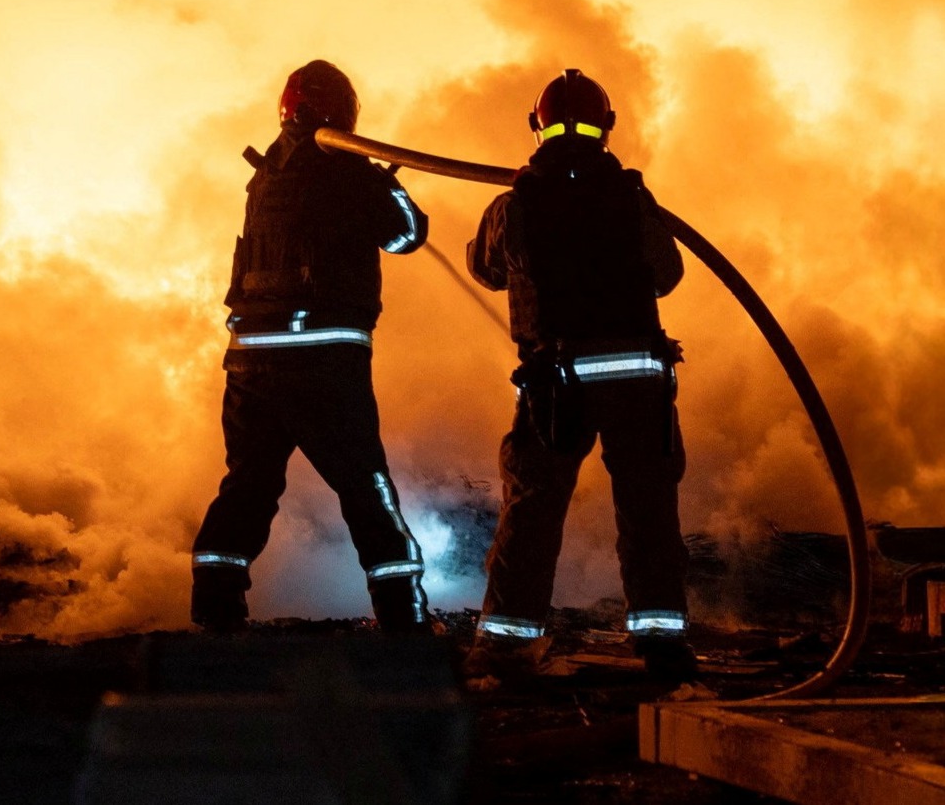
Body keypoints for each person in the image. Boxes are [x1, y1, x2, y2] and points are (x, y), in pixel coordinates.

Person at [464, 68, 696, 680]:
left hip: (557, 383)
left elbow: (485, 269)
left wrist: (516, 215)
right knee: (647, 509)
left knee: (534, 509)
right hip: (635, 381)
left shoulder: (516, 203)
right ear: (608, 125)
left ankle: (508, 645)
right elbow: (668, 274)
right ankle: (661, 643)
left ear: (535, 124)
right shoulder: (632, 198)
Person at [189, 59, 435, 634]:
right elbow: (407, 235)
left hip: (250, 361)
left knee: (248, 483)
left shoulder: (265, 174)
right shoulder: (347, 172)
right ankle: (404, 620)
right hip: (321, 361)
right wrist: (382, 177)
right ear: (346, 112)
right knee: (365, 485)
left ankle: (215, 608)